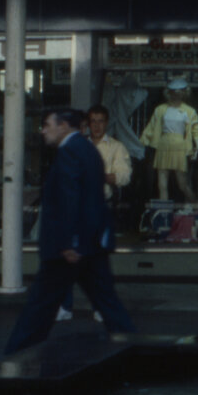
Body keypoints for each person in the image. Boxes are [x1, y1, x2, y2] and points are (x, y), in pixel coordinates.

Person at [5, 108, 136, 355]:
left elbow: (69, 198)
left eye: (47, 125)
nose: (43, 130)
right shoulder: (88, 151)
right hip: (91, 245)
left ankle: (13, 357)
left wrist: (68, 241)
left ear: (63, 125)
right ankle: (136, 349)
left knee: (39, 307)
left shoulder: (70, 152)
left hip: (68, 248)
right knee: (108, 305)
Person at [57, 103, 133, 321]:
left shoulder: (116, 148)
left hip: (98, 208)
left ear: (106, 123)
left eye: (101, 121)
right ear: (87, 124)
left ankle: (101, 308)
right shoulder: (78, 145)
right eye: (93, 122)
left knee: (96, 262)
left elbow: (124, 175)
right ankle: (65, 307)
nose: (97, 126)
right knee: (68, 259)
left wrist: (97, 175)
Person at [140, 78, 198, 204]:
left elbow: (196, 130)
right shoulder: (160, 109)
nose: (177, 94)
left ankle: (197, 205)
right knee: (162, 184)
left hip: (180, 146)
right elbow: (151, 128)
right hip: (164, 144)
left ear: (184, 93)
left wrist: (197, 147)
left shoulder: (189, 111)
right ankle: (164, 213)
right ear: (169, 92)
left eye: (180, 92)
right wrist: (142, 144)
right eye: (174, 91)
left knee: (182, 184)